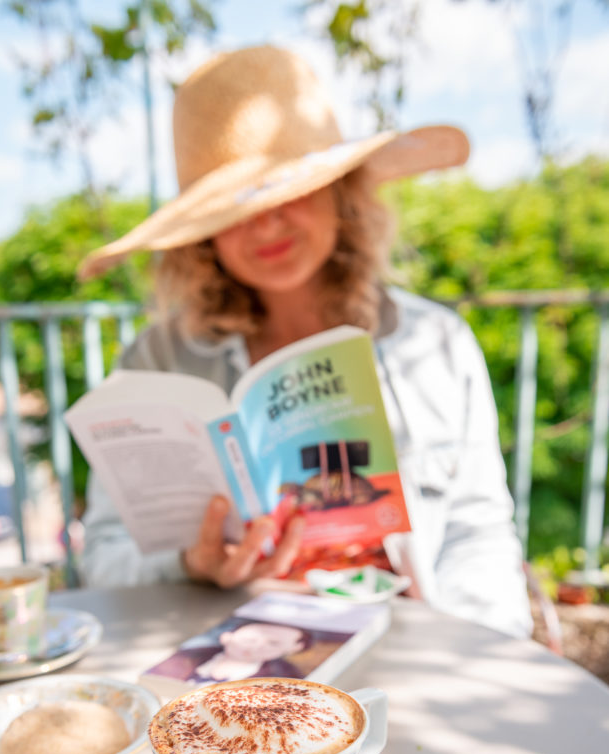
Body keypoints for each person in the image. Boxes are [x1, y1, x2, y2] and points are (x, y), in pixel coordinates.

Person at [78, 44, 532, 639]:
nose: (266, 225)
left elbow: (480, 533)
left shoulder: (436, 343)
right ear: (204, 234)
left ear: (341, 193)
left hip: (415, 650)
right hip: (238, 668)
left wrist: (472, 655)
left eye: (288, 191)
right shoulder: (155, 361)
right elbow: (105, 554)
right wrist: (193, 562)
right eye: (234, 207)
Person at [149, 621, 309, 685]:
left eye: (274, 644)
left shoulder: (281, 678)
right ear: (227, 635)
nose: (257, 644)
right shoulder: (187, 657)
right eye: (255, 635)